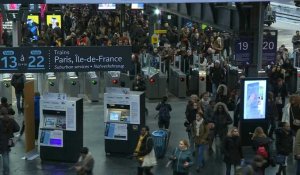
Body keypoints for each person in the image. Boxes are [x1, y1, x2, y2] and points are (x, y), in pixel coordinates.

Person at [0, 107, 20, 175]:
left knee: (4, 155)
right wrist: (11, 131)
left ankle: (6, 171)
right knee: (6, 154)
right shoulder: (11, 120)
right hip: (9, 140)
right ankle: (6, 170)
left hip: (1, 141)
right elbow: (18, 128)